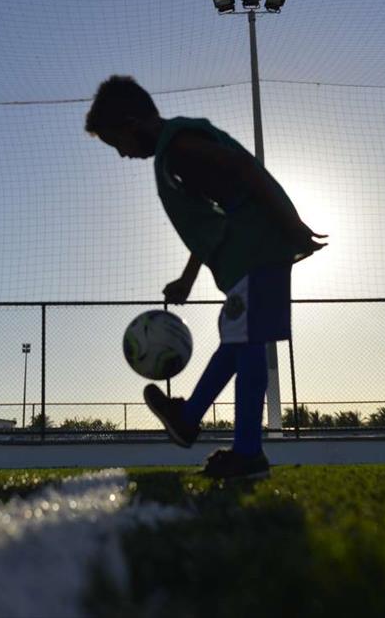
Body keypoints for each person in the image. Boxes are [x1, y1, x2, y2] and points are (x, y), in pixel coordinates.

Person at [85, 75, 324, 479]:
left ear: (132, 123)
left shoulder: (179, 147)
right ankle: (189, 419)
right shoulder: (174, 151)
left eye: (116, 143)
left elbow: (244, 169)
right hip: (247, 255)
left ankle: (247, 453)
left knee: (246, 342)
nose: (122, 155)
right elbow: (214, 219)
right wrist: (187, 279)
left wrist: (292, 223)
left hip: (256, 250)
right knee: (238, 337)